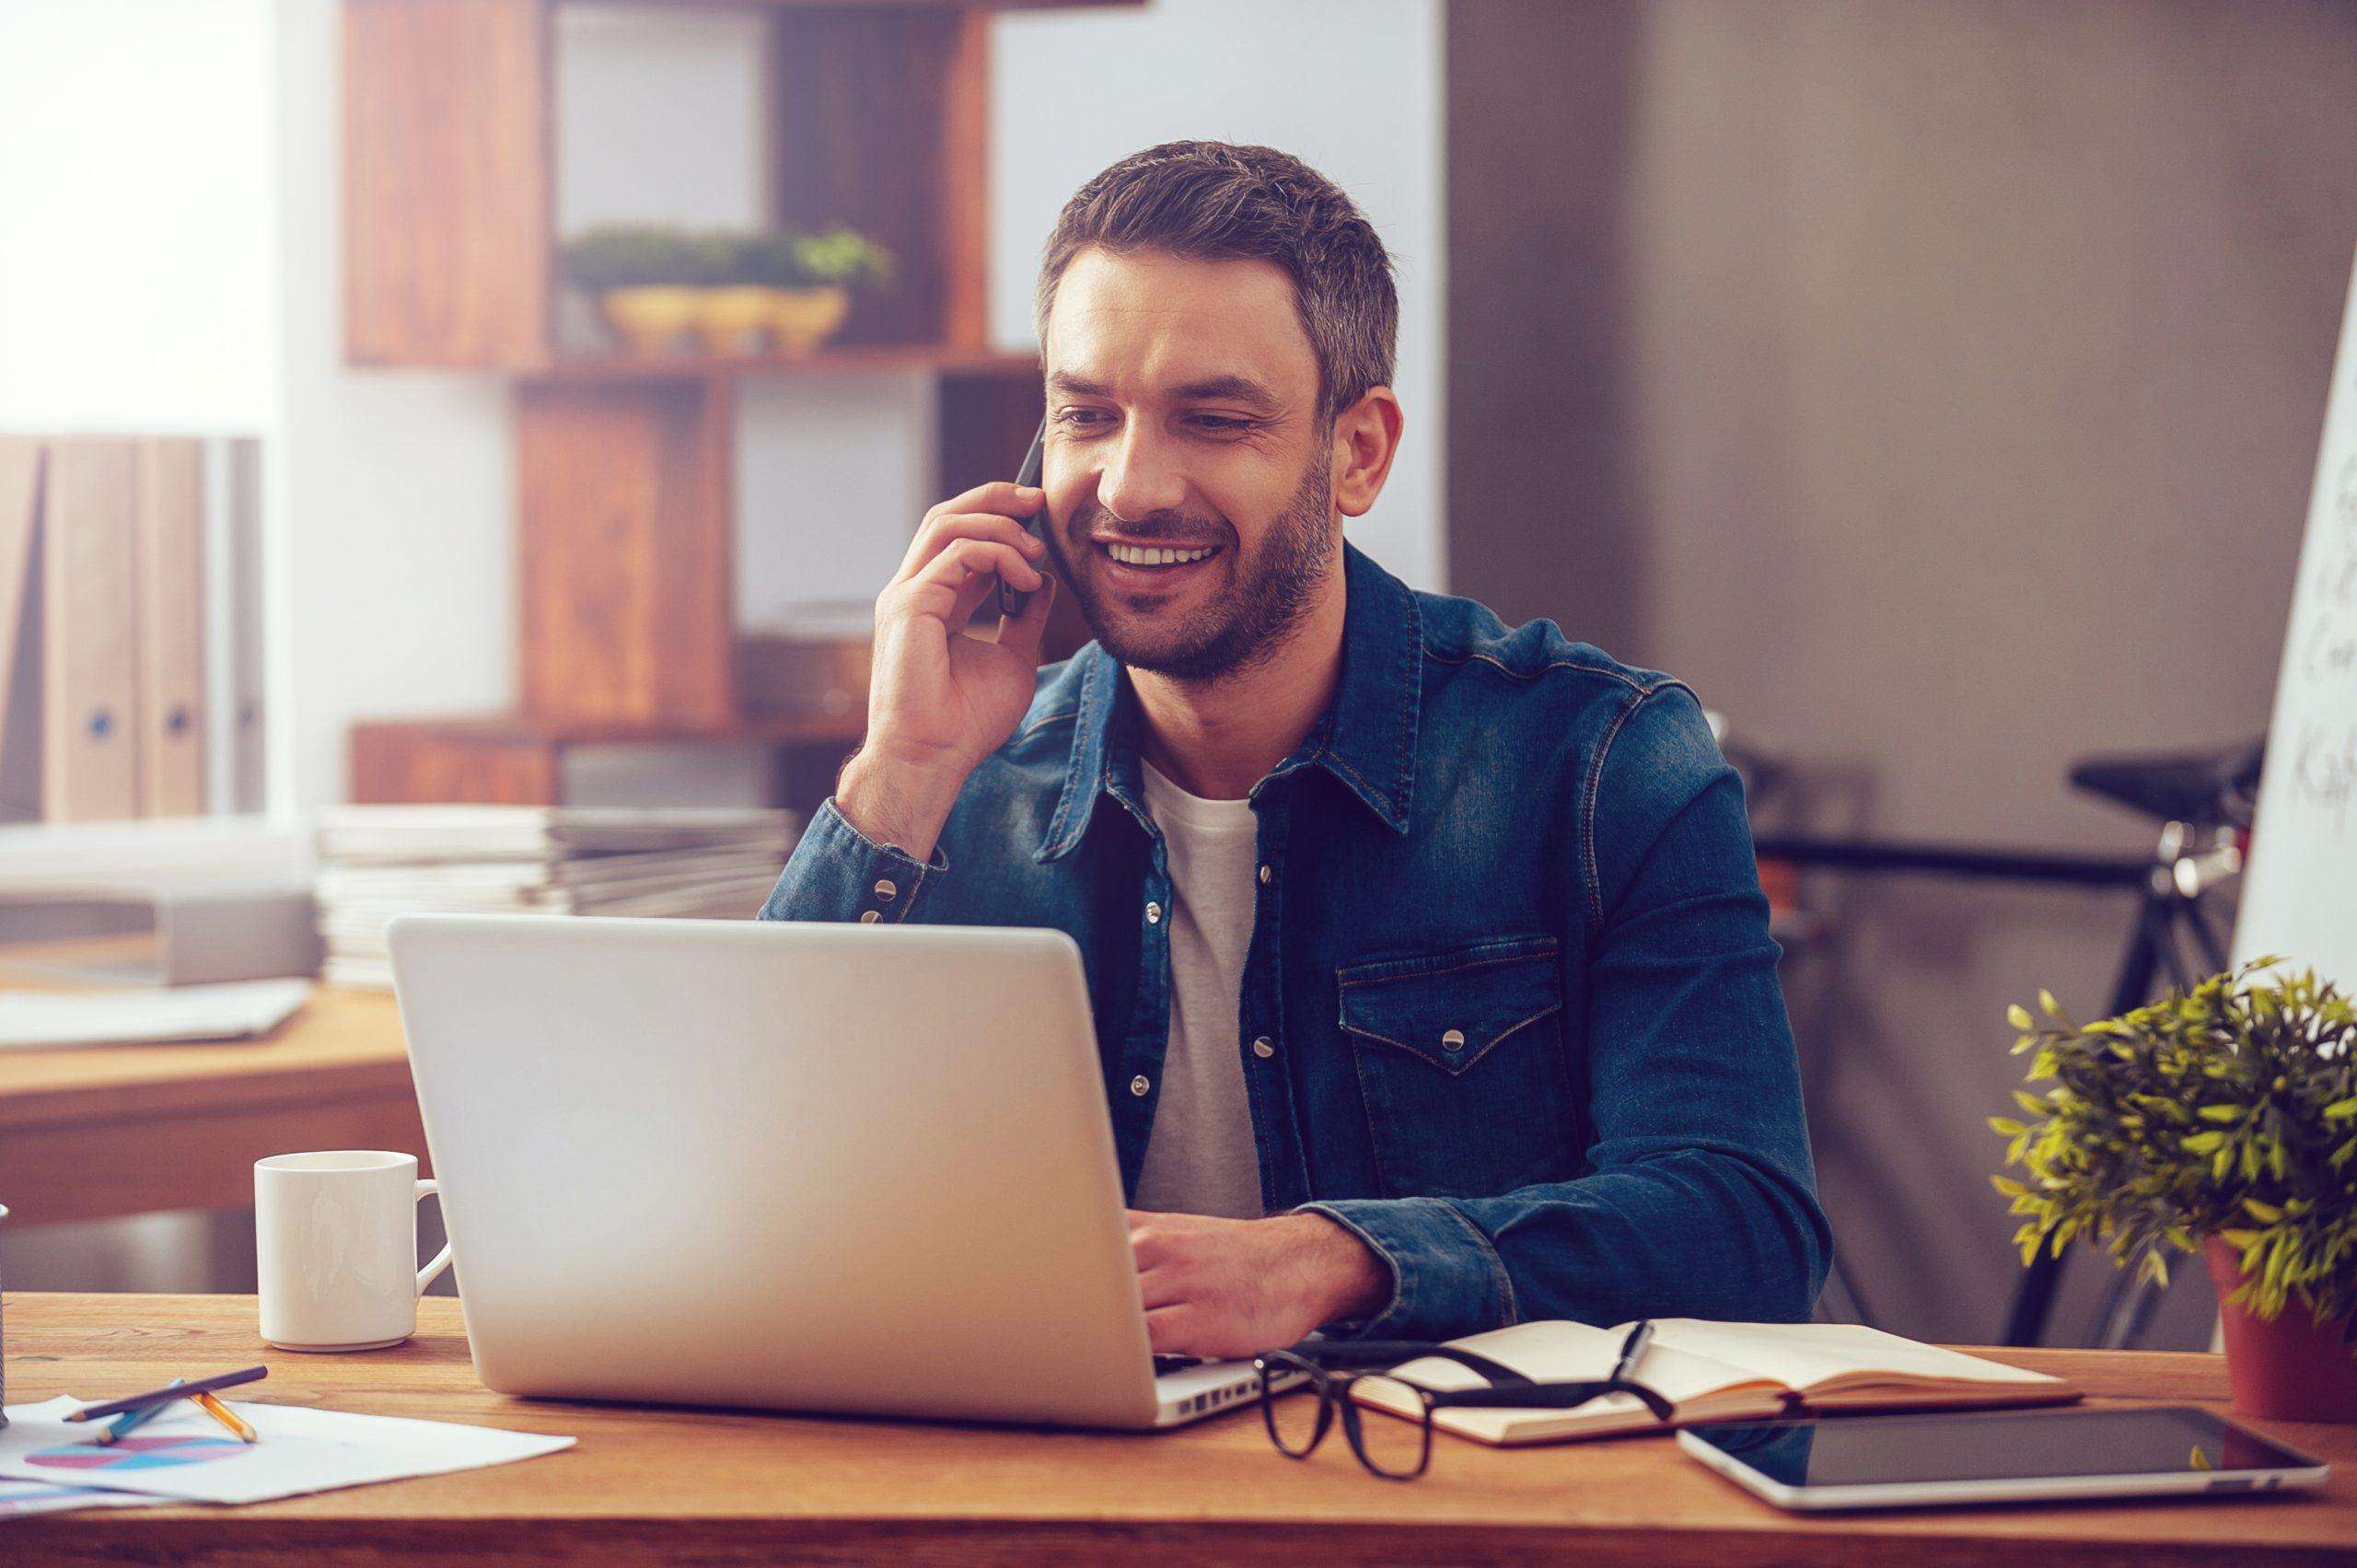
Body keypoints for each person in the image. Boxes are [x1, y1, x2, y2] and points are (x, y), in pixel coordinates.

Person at [761, 141, 1831, 1359]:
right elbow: (732, 1200)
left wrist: (1333, 1262)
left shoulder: (1605, 761)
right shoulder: (959, 778)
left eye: (1212, 420)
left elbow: (1744, 1229)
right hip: (1048, 1504)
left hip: (1445, 1513)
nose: (1131, 485)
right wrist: (898, 771)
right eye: (1086, 416)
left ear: (1357, 452)